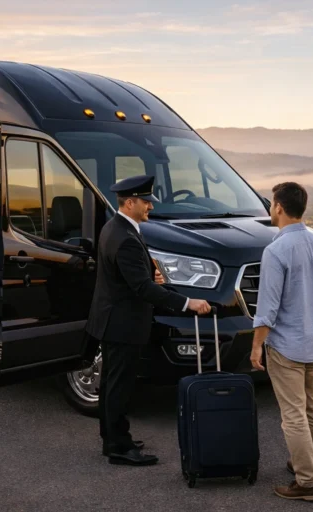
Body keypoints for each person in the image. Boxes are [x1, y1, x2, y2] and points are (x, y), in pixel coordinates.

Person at [85, 175, 211, 466]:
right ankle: (118, 447)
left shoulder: (116, 228)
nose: (150, 206)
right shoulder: (126, 237)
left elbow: (129, 276)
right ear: (130, 203)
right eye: (145, 201)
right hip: (122, 324)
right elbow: (141, 289)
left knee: (112, 384)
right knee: (119, 386)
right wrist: (186, 302)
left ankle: (113, 437)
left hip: (114, 320)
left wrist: (147, 275)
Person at [250, 182, 313, 502]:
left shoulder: (276, 250)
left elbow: (267, 308)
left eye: (272, 204)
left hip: (287, 346)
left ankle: (308, 482)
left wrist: (257, 345)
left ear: (279, 208)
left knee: (293, 415)